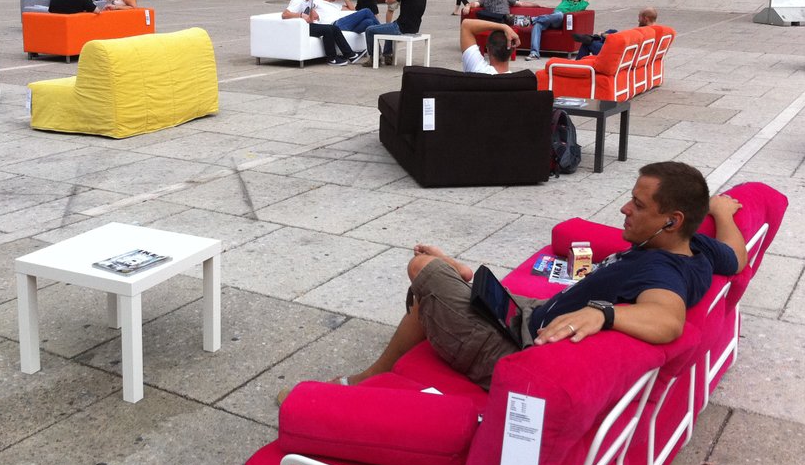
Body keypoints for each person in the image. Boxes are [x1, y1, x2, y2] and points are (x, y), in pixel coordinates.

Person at [282, 162, 747, 396]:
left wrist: (603, 313)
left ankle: (372, 376)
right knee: (441, 287)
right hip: (532, 312)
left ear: (672, 219)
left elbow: (668, 320)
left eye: (639, 206)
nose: (625, 209)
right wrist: (723, 213)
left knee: (422, 269)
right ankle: (458, 291)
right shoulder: (696, 248)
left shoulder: (662, 272)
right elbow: (738, 259)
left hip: (515, 347)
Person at [283, 0, 360, 66]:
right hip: (300, 27)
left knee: (334, 28)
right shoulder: (298, 0)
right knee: (327, 30)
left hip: (308, 25)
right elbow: (285, 14)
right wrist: (301, 15)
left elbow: (309, 8)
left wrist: (312, 14)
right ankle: (332, 59)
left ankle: (350, 55)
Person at [363, 0, 427, 67]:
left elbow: (388, 0)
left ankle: (375, 57)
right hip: (414, 28)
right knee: (390, 26)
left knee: (369, 30)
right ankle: (387, 54)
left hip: (401, 28)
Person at [311, 0, 377, 58]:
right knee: (366, 11)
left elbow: (352, 9)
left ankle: (375, 54)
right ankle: (382, 32)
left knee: (369, 22)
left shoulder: (336, 5)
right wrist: (314, 12)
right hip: (335, 25)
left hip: (345, 25)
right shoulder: (318, 2)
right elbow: (308, 5)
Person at [526, 0, 590, 61]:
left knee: (559, 15)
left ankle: (532, 19)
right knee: (537, 25)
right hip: (551, 18)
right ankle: (534, 54)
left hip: (560, 20)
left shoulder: (581, 4)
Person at [574, 7, 658, 59]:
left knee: (587, 43)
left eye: (639, 17)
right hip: (626, 50)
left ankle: (578, 66)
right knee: (613, 31)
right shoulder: (655, 30)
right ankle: (595, 38)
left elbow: (622, 41)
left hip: (619, 55)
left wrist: (603, 35)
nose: (638, 20)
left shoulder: (641, 31)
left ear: (646, 19)